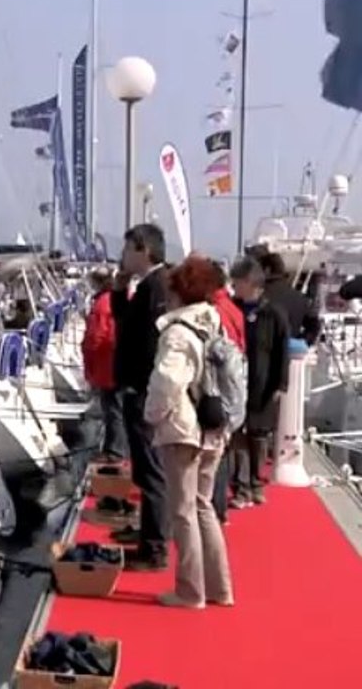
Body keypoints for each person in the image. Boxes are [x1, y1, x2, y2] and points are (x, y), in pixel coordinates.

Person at [144, 255, 234, 609]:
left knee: (182, 511)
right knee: (203, 506)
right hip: (214, 424)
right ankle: (220, 587)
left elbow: (167, 381)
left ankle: (190, 590)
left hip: (184, 428)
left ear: (179, 292)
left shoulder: (178, 333)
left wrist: (152, 414)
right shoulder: (214, 324)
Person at [110, 223, 170, 570]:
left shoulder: (157, 287)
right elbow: (127, 325)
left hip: (144, 390)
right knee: (144, 468)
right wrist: (119, 292)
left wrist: (140, 386)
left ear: (143, 250)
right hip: (138, 389)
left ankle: (155, 547)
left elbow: (151, 342)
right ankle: (149, 534)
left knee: (151, 471)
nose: (123, 256)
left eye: (127, 249)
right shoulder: (146, 287)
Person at [229, 257, 289, 508]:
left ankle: (255, 482)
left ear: (250, 282)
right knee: (238, 435)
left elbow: (282, 351)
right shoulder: (233, 309)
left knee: (259, 435)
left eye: (238, 282)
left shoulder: (273, 314)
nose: (234, 286)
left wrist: (281, 384)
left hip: (263, 382)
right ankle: (240, 486)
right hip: (237, 380)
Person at [209, 260, 246, 525]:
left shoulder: (216, 312)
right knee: (222, 451)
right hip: (232, 388)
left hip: (218, 389)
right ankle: (218, 508)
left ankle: (215, 509)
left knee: (215, 453)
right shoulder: (232, 309)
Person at [82, 267, 127, 462]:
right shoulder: (113, 300)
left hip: (106, 364)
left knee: (112, 409)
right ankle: (113, 447)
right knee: (115, 407)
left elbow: (96, 336)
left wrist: (88, 355)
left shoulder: (102, 304)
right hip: (116, 361)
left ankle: (115, 451)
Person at [259, 252, 320, 346]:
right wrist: (300, 343)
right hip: (287, 350)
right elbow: (314, 326)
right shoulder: (300, 298)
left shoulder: (254, 296)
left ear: (267, 271)